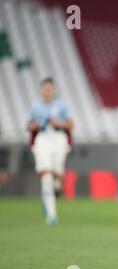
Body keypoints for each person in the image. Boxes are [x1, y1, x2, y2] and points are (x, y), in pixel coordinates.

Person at [27, 78, 74, 225]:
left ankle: (51, 194)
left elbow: (71, 124)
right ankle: (52, 215)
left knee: (57, 178)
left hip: (58, 138)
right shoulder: (36, 106)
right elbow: (28, 125)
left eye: (49, 88)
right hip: (43, 138)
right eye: (45, 88)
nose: (47, 90)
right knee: (46, 177)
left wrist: (58, 123)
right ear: (42, 90)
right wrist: (34, 125)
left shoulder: (61, 105)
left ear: (53, 89)